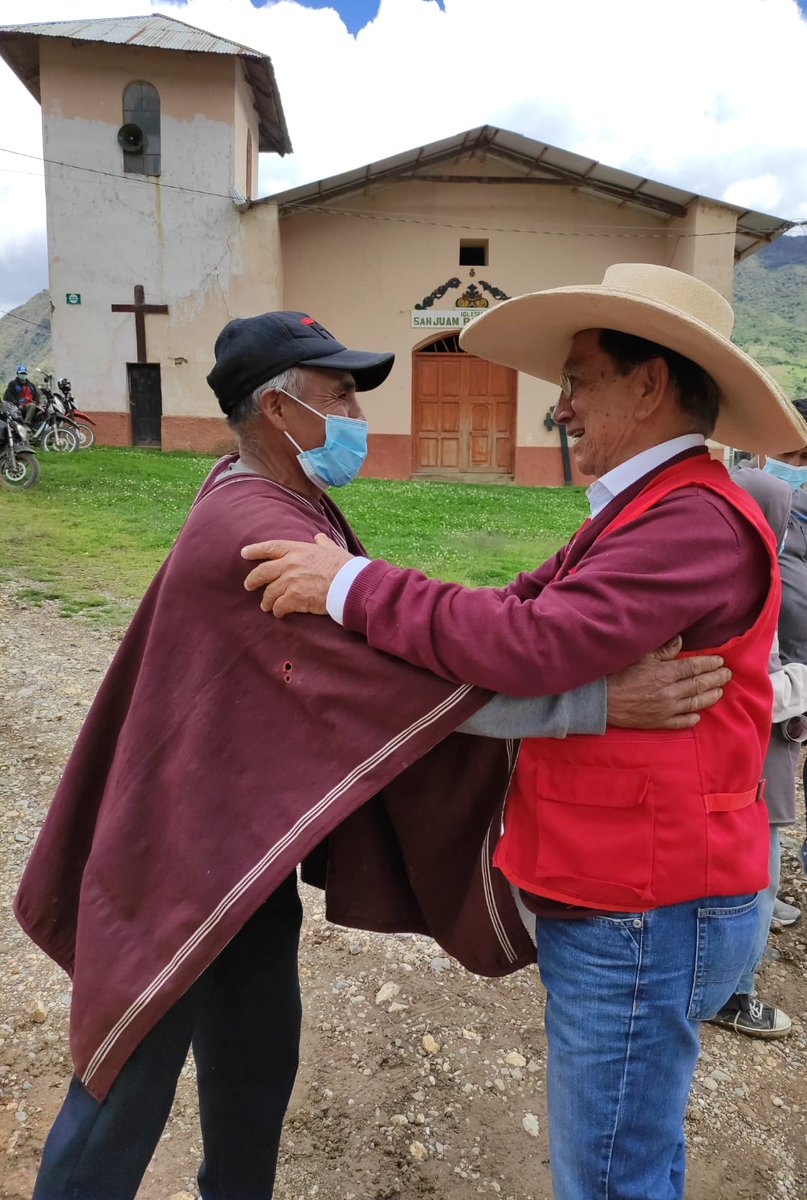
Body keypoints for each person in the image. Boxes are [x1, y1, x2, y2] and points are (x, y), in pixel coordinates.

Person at [13, 310, 723, 1200]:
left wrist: (505, 625)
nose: (357, 411)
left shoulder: (284, 495)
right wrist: (596, 702)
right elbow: (390, 687)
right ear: (278, 410)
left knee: (258, 1048)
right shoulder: (248, 523)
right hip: (180, 846)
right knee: (130, 1059)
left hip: (245, 834)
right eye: (340, 392)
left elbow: (410, 650)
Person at [240, 265, 807, 1200]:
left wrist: (347, 586)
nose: (564, 407)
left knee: (612, 1173)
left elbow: (527, 641)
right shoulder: (648, 509)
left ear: (649, 383)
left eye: (580, 379)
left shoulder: (689, 521)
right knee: (631, 1149)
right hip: (630, 887)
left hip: (645, 899)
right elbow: (511, 609)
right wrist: (368, 591)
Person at [710, 440, 807, 1038]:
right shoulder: (753, 586)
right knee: (756, 876)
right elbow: (751, 689)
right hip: (756, 751)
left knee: (751, 874)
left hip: (751, 750)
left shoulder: (737, 573)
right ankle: (733, 994)